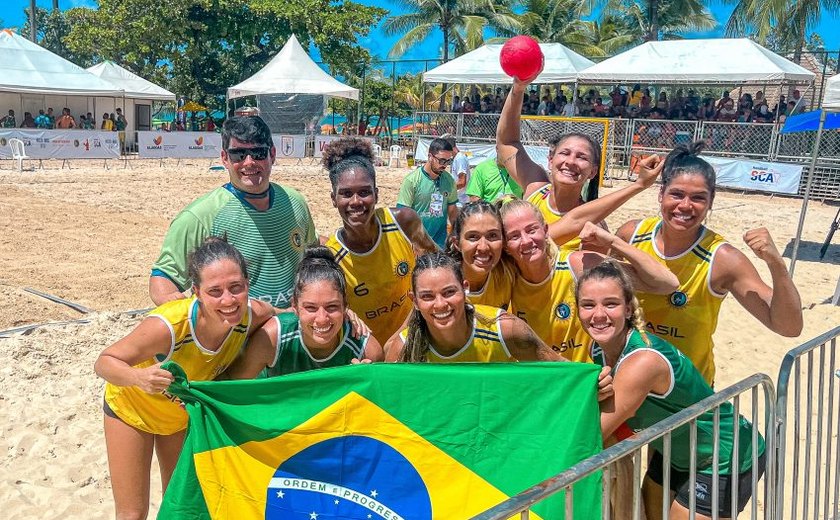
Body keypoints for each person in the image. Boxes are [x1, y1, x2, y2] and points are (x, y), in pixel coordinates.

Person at [94, 237, 276, 520]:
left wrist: (348, 319)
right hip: (131, 411)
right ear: (196, 292)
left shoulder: (251, 315)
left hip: (178, 419)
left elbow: (297, 316)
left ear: (247, 285)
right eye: (215, 291)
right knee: (132, 513)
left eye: (236, 288)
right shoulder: (168, 326)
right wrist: (138, 376)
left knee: (177, 506)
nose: (228, 300)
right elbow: (105, 362)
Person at [578, 259, 766, 520]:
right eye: (588, 305)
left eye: (611, 304)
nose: (598, 315)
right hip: (676, 451)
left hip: (724, 455)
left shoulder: (642, 361)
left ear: (629, 309)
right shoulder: (598, 350)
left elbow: (593, 433)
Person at [616, 142, 802, 384]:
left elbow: (788, 327)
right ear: (661, 194)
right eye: (677, 194)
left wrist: (777, 265)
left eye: (698, 198)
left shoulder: (723, 259)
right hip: (626, 377)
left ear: (711, 202)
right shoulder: (631, 235)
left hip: (686, 390)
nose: (685, 205)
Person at [150, 115, 317, 310]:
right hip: (235, 336)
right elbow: (164, 277)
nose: (249, 162)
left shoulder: (295, 201)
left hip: (290, 330)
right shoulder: (200, 216)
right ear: (224, 158)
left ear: (272, 154)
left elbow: (311, 254)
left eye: (258, 153)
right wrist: (186, 311)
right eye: (238, 155)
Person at [497, 74, 666, 253]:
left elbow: (574, 224)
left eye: (582, 157)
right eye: (565, 153)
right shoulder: (535, 189)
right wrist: (518, 88)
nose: (570, 162)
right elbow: (507, 142)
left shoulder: (594, 227)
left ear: (593, 172)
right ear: (550, 159)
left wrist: (640, 185)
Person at [500, 198, 679, 363]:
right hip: (542, 384)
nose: (526, 241)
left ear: (546, 231)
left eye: (532, 230)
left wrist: (612, 241)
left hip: (589, 381)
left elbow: (667, 284)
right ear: (506, 246)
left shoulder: (578, 265)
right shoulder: (506, 279)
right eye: (514, 236)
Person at [323, 137, 437, 344]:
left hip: (416, 340)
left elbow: (437, 264)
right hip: (369, 355)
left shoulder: (403, 222)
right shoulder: (331, 257)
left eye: (365, 192)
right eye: (346, 194)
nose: (356, 202)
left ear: (376, 194)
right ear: (333, 199)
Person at [223, 246, 383, 379]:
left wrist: (365, 382)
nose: (322, 319)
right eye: (311, 308)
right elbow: (234, 390)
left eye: (332, 307)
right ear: (295, 307)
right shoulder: (273, 337)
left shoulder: (366, 350)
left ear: (345, 306)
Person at [445, 201, 515, 309]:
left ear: (503, 240)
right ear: (457, 243)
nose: (483, 247)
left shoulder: (508, 270)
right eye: (473, 237)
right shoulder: (442, 285)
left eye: (492, 235)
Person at [396, 137, 459, 248]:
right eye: (441, 160)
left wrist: (456, 233)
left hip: (439, 244)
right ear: (430, 156)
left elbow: (452, 211)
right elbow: (402, 215)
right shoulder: (412, 181)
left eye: (448, 161)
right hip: (416, 244)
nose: (445, 165)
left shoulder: (449, 181)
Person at [444, 136, 471, 206]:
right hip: (458, 200)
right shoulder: (456, 158)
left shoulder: (460, 158)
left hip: (461, 201)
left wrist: (445, 190)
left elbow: (462, 182)